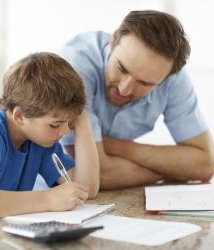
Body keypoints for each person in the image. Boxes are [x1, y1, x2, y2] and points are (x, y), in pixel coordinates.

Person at [59, 10, 214, 189]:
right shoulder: (74, 68)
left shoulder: (171, 76)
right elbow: (95, 174)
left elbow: (205, 164)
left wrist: (121, 147)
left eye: (144, 83)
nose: (124, 90)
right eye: (122, 68)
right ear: (113, 40)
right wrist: (174, 170)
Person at [0, 52, 99, 221]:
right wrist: (47, 199)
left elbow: (85, 190)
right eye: (56, 124)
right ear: (20, 116)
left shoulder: (39, 140)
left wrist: (83, 123)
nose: (65, 131)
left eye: (68, 122)